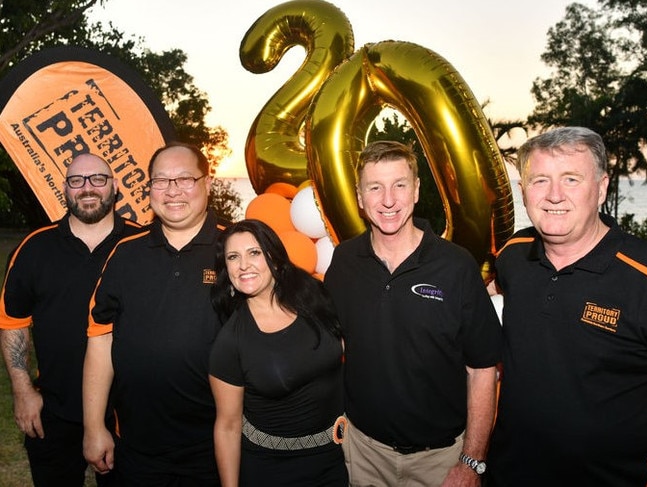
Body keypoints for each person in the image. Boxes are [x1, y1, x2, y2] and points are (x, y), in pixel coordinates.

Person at [324, 140, 503, 486]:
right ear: (360, 198)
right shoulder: (344, 262)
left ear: (417, 190)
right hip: (364, 456)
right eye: (375, 187)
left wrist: (472, 462)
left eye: (399, 185)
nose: (388, 200)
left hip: (440, 461)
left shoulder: (456, 265)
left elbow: (482, 370)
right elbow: (330, 343)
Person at [486, 126, 647, 486]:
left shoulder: (642, 276)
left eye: (571, 179)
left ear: (602, 188)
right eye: (540, 180)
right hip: (507, 474)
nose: (554, 195)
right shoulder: (513, 254)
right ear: (523, 190)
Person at [82, 142, 225, 486]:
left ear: (207, 184)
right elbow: (100, 340)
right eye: (161, 181)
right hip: (134, 447)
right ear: (148, 189)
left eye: (185, 179)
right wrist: (93, 427)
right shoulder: (125, 254)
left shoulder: (236, 249)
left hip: (218, 447)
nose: (172, 191)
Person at [0, 153, 142, 486]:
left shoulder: (142, 244)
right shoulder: (34, 248)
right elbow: (12, 322)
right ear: (65, 189)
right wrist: (23, 392)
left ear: (115, 186)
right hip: (54, 410)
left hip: (131, 415)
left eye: (98, 179)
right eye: (77, 181)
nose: (87, 188)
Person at [209, 219, 348, 487]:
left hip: (335, 459)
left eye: (254, 253)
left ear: (273, 255)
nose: (243, 265)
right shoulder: (230, 342)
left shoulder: (314, 297)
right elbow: (227, 427)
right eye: (233, 257)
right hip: (273, 470)